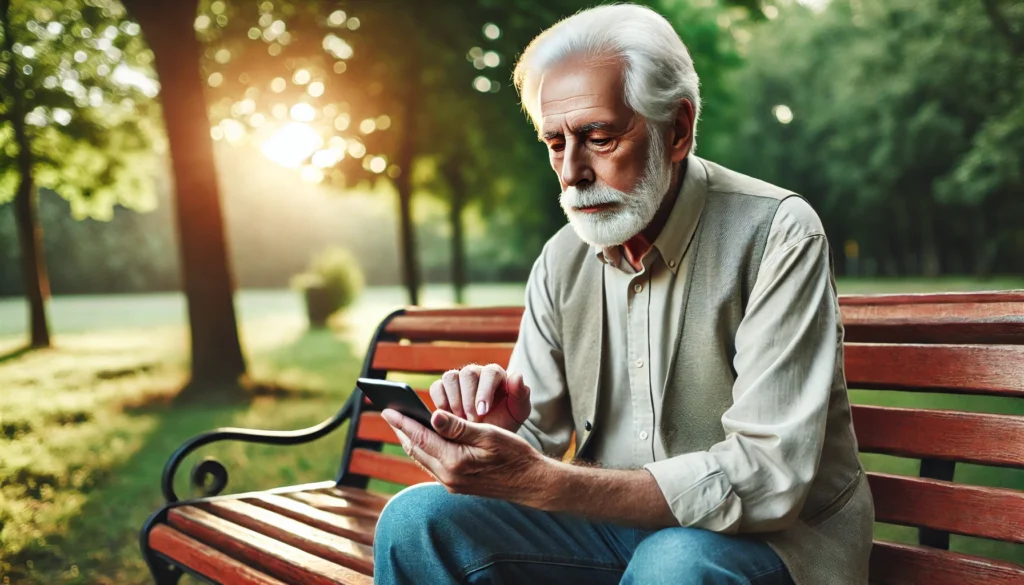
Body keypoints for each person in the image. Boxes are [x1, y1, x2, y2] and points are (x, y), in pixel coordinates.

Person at [374, 4, 873, 584]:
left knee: (673, 565)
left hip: (776, 544)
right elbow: (536, 441)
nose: (571, 172)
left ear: (678, 129)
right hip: (609, 529)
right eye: (555, 143)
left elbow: (769, 477)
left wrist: (547, 481)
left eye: (598, 137)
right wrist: (498, 429)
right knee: (418, 520)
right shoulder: (563, 257)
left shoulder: (778, 233)